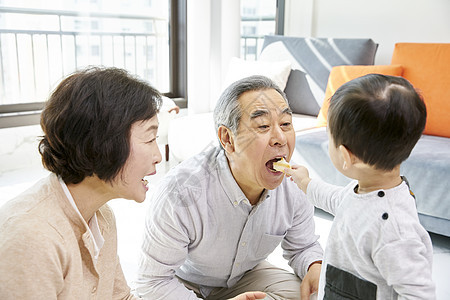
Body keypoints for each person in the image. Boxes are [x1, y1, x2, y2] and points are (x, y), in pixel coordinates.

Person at [0, 67, 265, 300]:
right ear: (103, 143)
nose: (159, 156)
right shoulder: (30, 238)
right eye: (150, 139)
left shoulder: (101, 216)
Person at [134, 75, 324, 300]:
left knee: (304, 293)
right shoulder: (181, 192)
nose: (280, 138)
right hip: (182, 281)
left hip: (245, 276)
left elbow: (304, 246)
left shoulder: (293, 185)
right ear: (227, 139)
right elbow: (153, 283)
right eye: (263, 126)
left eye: (285, 124)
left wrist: (314, 265)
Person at [283, 74, 436, 299]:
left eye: (330, 139)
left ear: (346, 155)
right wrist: (306, 183)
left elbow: (419, 293)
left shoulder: (393, 229)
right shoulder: (364, 189)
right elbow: (340, 201)